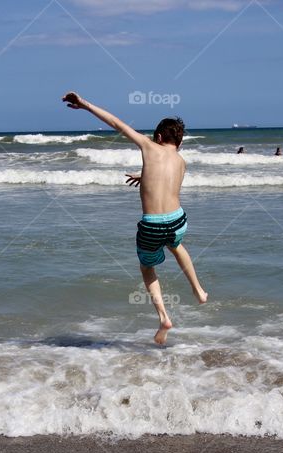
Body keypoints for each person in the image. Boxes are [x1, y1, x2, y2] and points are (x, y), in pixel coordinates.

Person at [61, 91, 208, 345]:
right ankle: (198, 289)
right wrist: (145, 177)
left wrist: (85, 104)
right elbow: (168, 184)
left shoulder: (148, 146)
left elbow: (116, 123)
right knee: (176, 244)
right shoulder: (182, 161)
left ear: (158, 137)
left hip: (151, 225)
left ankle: (163, 317)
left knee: (147, 267)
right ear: (179, 143)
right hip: (178, 220)